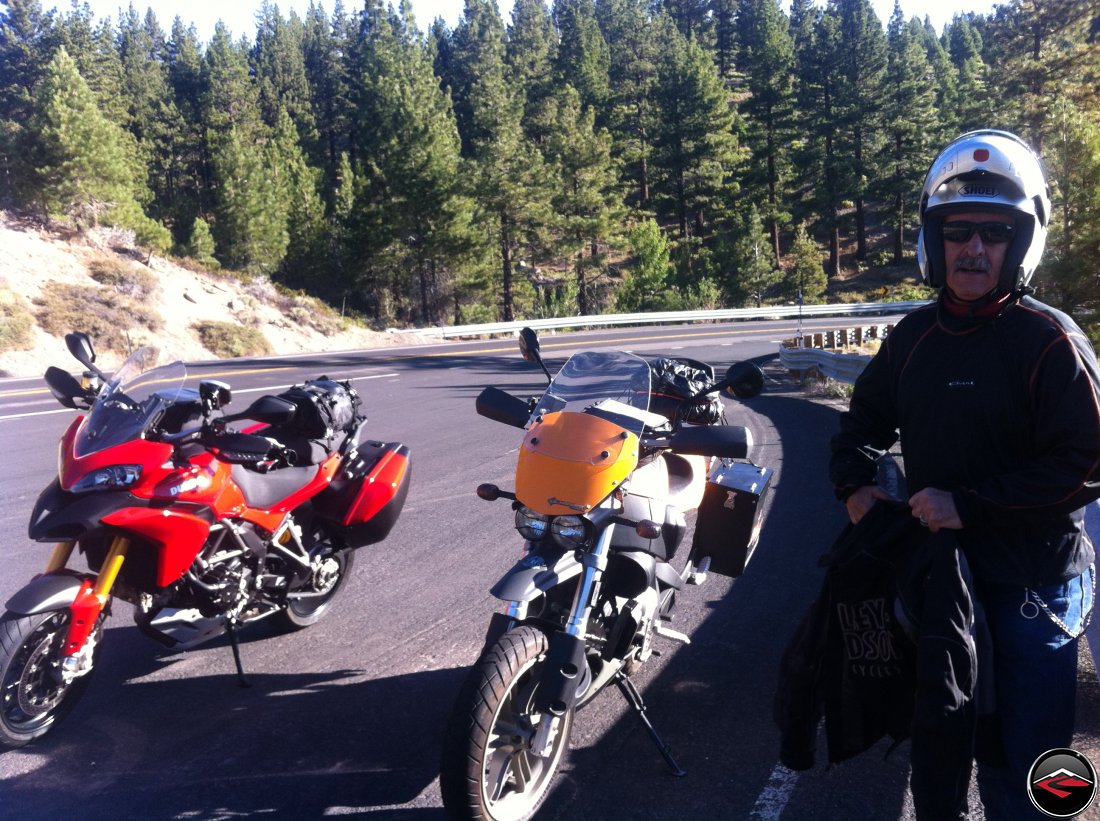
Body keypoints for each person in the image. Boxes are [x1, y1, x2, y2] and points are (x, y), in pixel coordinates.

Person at [829, 129, 1100, 819]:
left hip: (1035, 584)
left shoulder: (1051, 340)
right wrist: (856, 485)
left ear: (1021, 243)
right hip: (945, 583)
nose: (973, 249)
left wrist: (969, 504)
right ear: (933, 240)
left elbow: (1089, 462)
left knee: (1036, 771)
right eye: (957, 232)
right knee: (948, 746)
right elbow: (859, 426)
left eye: (993, 233)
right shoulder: (914, 339)